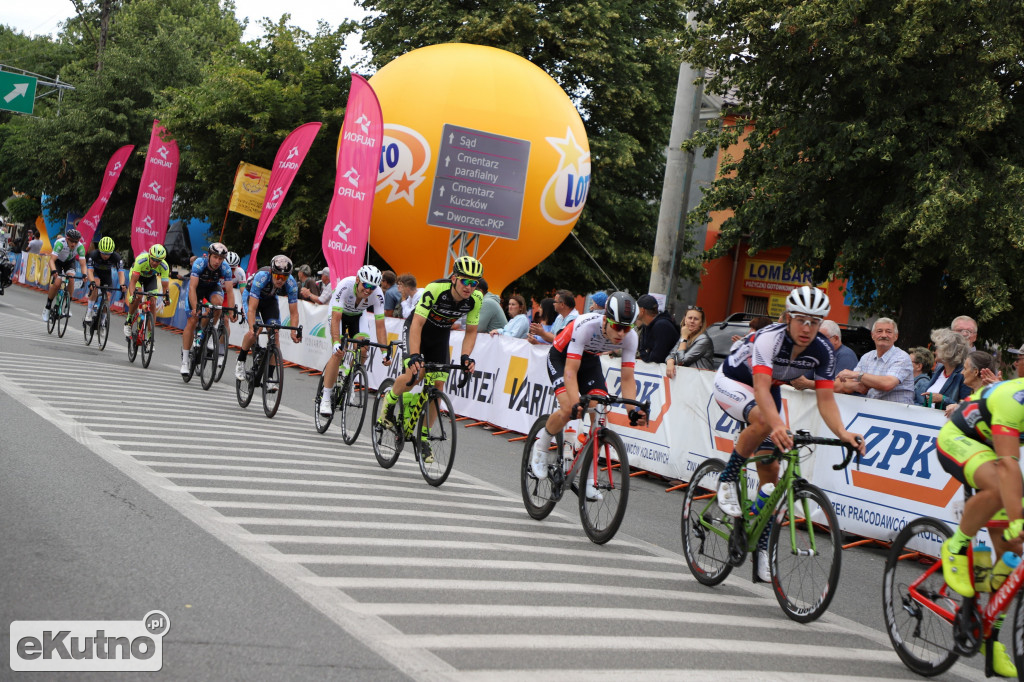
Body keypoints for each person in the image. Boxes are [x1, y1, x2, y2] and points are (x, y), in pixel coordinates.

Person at [714, 286, 865, 581]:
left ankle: (760, 550)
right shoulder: (770, 338)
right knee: (764, 421)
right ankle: (727, 477)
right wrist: (779, 425)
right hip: (734, 381)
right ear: (788, 318)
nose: (807, 328)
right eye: (800, 320)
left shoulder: (823, 350)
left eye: (815, 321)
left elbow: (825, 400)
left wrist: (843, 432)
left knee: (771, 473)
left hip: (768, 390)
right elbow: (759, 389)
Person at [936, 377, 1024, 677]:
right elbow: (1010, 464)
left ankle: (990, 635)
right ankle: (956, 545)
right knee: (1001, 485)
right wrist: (1017, 520)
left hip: (995, 453)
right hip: (960, 439)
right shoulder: (1015, 398)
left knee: (1012, 555)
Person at [529, 292, 649, 500]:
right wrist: (575, 402)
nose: (622, 333)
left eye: (627, 327)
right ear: (605, 319)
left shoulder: (630, 338)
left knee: (599, 413)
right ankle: (540, 448)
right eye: (617, 326)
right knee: (569, 409)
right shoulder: (585, 326)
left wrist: (633, 410)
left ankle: (590, 479)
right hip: (562, 357)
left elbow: (628, 378)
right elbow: (570, 371)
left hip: (590, 361)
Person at [376, 256, 483, 459]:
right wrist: (414, 355)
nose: (469, 287)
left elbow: (471, 331)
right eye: (465, 281)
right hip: (417, 329)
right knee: (412, 374)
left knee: (438, 386)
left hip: (440, 336)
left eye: (474, 282)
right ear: (454, 278)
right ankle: (389, 402)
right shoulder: (435, 290)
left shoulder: (475, 299)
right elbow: (416, 323)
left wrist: (466, 356)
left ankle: (423, 438)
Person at [318, 265, 392, 416]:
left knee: (364, 348)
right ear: (358, 280)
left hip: (358, 315)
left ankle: (349, 378)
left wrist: (385, 351)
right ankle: (326, 397)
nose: (368, 290)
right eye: (366, 285)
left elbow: (380, 326)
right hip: (339, 313)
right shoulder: (345, 285)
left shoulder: (377, 295)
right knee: (338, 353)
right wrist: (337, 342)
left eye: (372, 287)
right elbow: (336, 317)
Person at [234, 255, 301, 391]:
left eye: (284, 277)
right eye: (278, 277)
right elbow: (252, 308)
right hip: (252, 298)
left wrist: (294, 331)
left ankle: (270, 378)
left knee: (275, 334)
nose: (281, 280)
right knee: (255, 331)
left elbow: (294, 312)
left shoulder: (291, 283)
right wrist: (253, 327)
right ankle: (240, 361)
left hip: (270, 301)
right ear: (271, 272)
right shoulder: (262, 277)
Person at [180, 242, 236, 375]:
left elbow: (230, 291)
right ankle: (185, 361)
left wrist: (232, 310)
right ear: (209, 256)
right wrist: (195, 308)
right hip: (197, 288)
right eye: (215, 257)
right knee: (193, 320)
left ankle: (208, 333)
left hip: (212, 288)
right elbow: (192, 288)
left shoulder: (226, 268)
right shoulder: (200, 263)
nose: (217, 261)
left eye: (221, 259)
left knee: (218, 305)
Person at [835, 318, 915, 403]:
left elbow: (887, 384)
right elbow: (840, 384)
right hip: (872, 411)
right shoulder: (867, 357)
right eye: (879, 331)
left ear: (896, 336)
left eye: (888, 332)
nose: (884, 335)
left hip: (897, 414)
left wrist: (857, 375)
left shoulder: (902, 357)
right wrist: (854, 386)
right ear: (872, 335)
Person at [791, 320, 858, 390]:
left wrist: (807, 384)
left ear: (836, 339)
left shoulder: (846, 355)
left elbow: (840, 386)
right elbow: (803, 377)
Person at [125, 244, 171, 337]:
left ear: (162, 260)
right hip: (137, 277)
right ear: (149, 256)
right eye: (153, 259)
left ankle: (150, 336)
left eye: (158, 261)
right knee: (138, 296)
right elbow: (133, 282)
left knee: (153, 302)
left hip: (150, 278)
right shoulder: (141, 260)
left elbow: (165, 286)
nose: (155, 262)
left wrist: (166, 298)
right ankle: (129, 320)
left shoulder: (164, 266)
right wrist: (132, 295)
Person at [917, 328, 970, 409]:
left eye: (936, 348)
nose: (934, 352)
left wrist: (943, 399)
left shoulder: (963, 375)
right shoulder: (939, 370)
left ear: (948, 350)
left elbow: (966, 407)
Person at [43, 228, 88, 322]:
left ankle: (67, 306)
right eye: (71, 241)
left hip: (69, 262)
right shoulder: (60, 243)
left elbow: (83, 264)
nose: (73, 244)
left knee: (71, 279)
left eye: (76, 242)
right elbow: (51, 260)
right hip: (57, 262)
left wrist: (84, 274)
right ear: (67, 239)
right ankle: (47, 307)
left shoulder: (80, 247)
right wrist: (54, 271)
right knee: (57, 283)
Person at [84, 236, 126, 322]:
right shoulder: (93, 254)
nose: (106, 256)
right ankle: (89, 312)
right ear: (99, 250)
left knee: (108, 297)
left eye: (108, 254)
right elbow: (90, 271)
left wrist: (122, 284)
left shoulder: (116, 257)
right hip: (95, 273)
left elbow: (121, 273)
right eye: (103, 253)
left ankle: (103, 321)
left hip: (106, 275)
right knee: (96, 283)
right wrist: (92, 282)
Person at [666, 305, 714, 377]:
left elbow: (681, 361)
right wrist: (670, 362)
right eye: (690, 318)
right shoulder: (685, 335)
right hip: (687, 379)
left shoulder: (704, 340)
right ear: (685, 320)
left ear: (701, 323)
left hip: (700, 382)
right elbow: (671, 354)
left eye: (696, 319)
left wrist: (684, 338)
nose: (692, 321)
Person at [635, 294, 680, 364]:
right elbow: (642, 350)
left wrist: (646, 354)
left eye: (636, 308)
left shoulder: (662, 326)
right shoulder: (646, 325)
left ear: (642, 310)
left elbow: (656, 358)